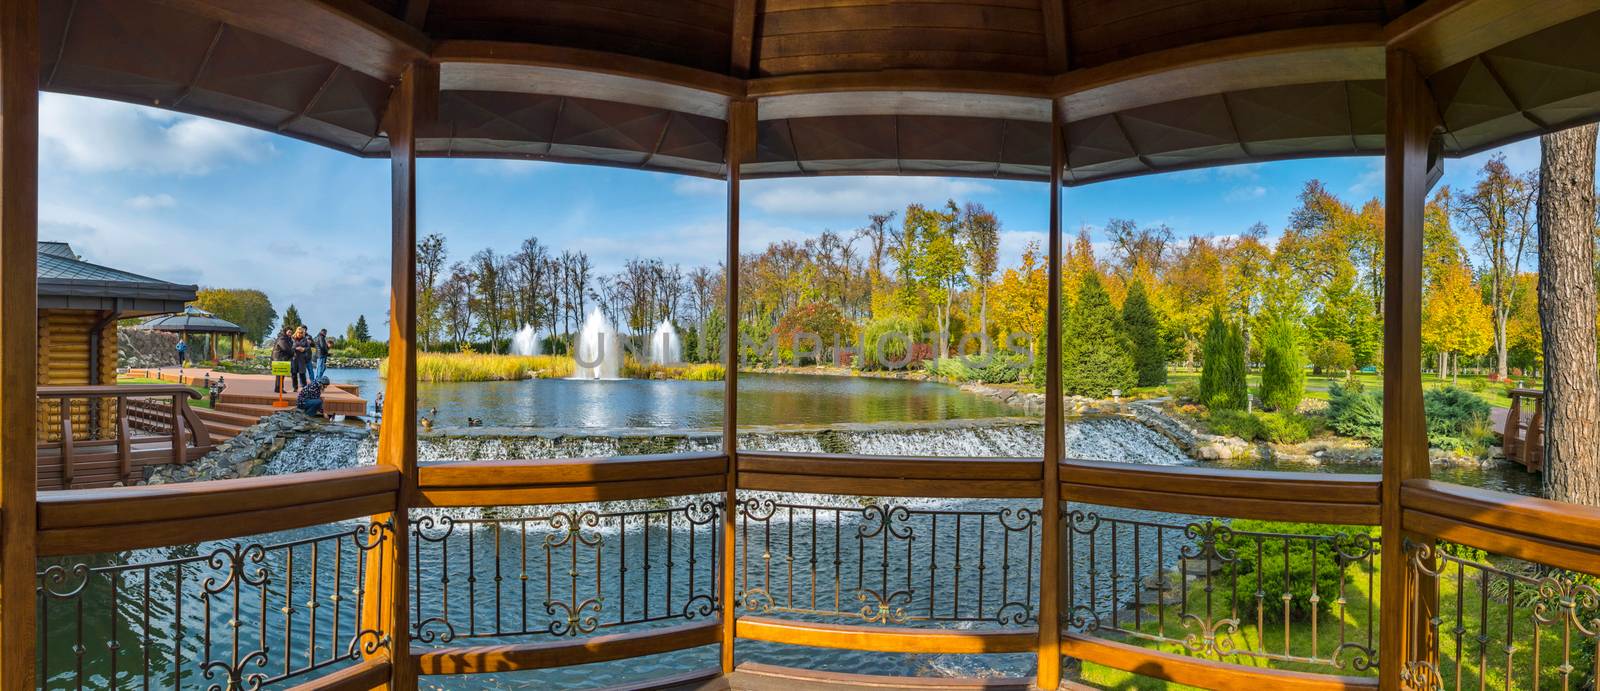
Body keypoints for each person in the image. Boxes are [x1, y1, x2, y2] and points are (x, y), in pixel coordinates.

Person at [271, 327, 294, 394]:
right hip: (279, 358)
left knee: (280, 375)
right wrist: (293, 352)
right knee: (280, 375)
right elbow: (286, 348)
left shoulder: (286, 338)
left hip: (281, 358)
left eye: (291, 332)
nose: (290, 334)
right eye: (289, 332)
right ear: (285, 332)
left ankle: (278, 388)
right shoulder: (282, 338)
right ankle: (279, 388)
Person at [291, 326, 312, 391]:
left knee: (302, 373)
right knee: (294, 374)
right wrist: (296, 348)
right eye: (299, 332)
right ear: (296, 332)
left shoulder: (305, 339)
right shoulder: (292, 339)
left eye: (301, 333)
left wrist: (304, 349)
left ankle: (304, 387)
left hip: (302, 359)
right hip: (294, 358)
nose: (300, 334)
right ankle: (295, 387)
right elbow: (289, 348)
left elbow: (308, 348)